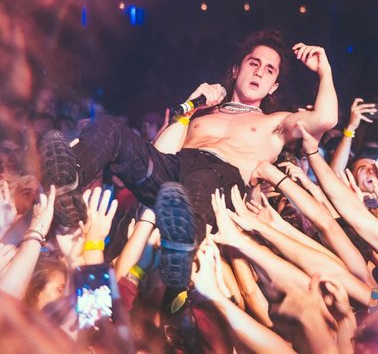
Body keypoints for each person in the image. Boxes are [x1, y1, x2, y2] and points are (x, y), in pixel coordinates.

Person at [39, 30, 338, 292]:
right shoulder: (202, 116)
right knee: (110, 127)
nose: (259, 72)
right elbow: (160, 154)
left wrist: (324, 71)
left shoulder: (276, 123)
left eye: (269, 70)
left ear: (273, 87)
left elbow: (325, 119)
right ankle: (66, 187)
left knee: (201, 179)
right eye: (253, 63)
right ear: (236, 69)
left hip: (220, 181)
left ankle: (178, 257)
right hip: (175, 173)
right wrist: (189, 111)